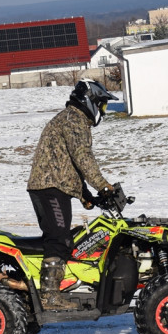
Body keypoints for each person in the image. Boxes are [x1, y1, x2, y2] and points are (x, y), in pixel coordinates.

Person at [26, 79, 118, 311]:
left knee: (65, 238)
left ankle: (61, 287)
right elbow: (82, 157)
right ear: (91, 101)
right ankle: (49, 297)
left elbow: (66, 166)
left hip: (53, 186)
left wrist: (86, 194)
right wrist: (103, 186)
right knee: (59, 239)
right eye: (102, 105)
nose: (103, 111)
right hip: (50, 188)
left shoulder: (73, 119)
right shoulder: (73, 119)